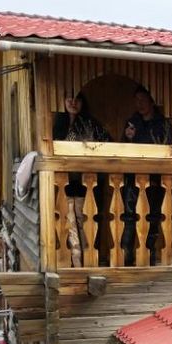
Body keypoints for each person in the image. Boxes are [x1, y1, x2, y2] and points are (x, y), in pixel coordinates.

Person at [53, 93, 110, 266]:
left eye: (77, 99)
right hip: (64, 182)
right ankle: (77, 261)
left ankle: (87, 260)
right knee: (70, 222)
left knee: (83, 221)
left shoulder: (90, 124)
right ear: (62, 101)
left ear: (83, 102)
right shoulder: (58, 126)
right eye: (69, 99)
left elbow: (107, 143)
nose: (73, 103)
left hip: (87, 182)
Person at [120, 87, 170, 264]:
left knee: (154, 216)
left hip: (155, 179)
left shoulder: (162, 124)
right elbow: (123, 149)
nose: (139, 104)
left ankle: (151, 255)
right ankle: (128, 256)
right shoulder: (132, 122)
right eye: (137, 100)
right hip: (132, 179)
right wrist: (128, 137)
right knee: (129, 216)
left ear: (151, 101)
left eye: (143, 100)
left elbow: (167, 146)